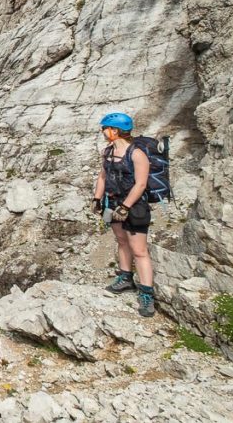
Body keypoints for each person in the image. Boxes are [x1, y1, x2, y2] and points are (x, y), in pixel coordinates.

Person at [91, 112, 155, 317]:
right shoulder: (108, 151)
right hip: (113, 203)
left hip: (134, 207)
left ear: (116, 131)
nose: (103, 131)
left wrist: (125, 206)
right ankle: (126, 278)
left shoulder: (137, 154)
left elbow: (141, 184)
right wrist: (97, 199)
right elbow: (103, 176)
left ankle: (146, 294)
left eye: (105, 128)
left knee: (139, 250)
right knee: (121, 241)